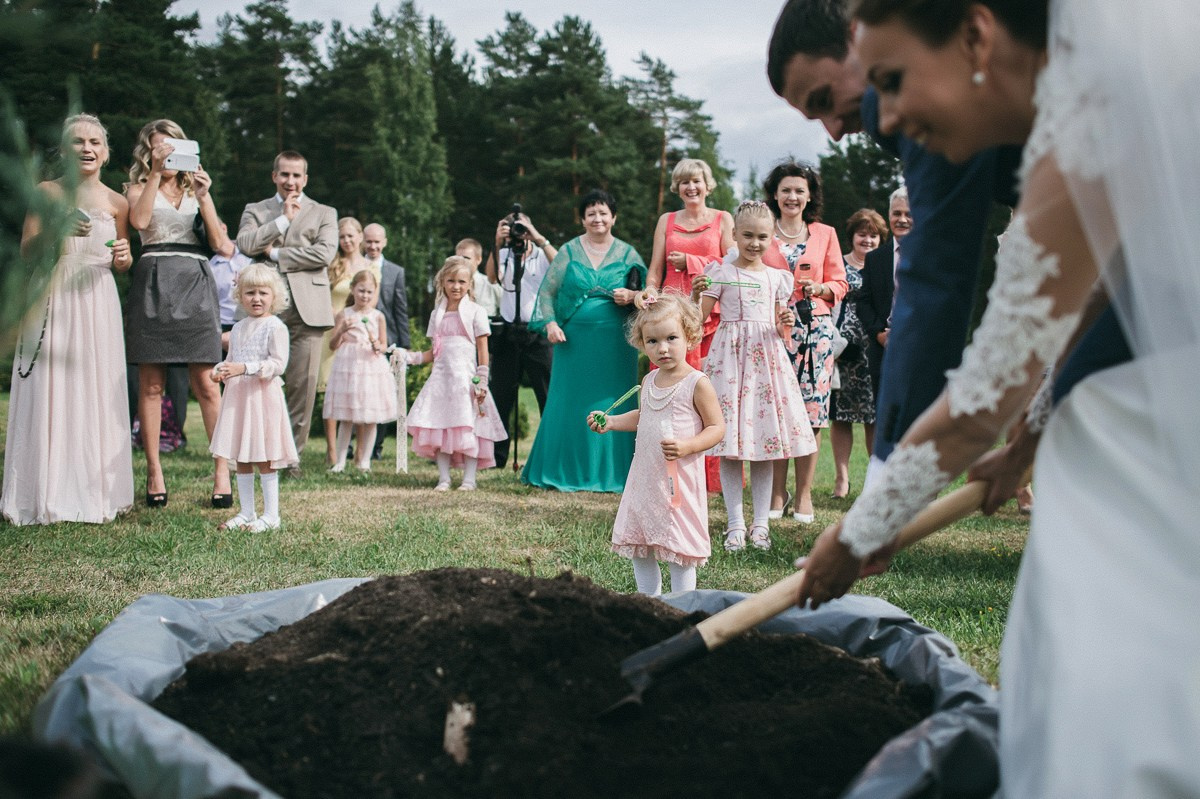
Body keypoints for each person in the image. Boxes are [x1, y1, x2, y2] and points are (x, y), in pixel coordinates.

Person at [798, 0, 1198, 795]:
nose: (890, 114)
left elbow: (985, 390)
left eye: (893, 79)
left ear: (978, 35)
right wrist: (1031, 437)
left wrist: (866, 525)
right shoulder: (1088, 115)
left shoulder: (1095, 114)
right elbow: (1102, 293)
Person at [767, 0, 1023, 483]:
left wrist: (886, 479)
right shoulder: (894, 108)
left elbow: (937, 276)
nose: (836, 133)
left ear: (859, 37)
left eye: (823, 98)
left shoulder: (920, 91)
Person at [1, 113, 135, 525]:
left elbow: (121, 263)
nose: (87, 148)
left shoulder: (118, 202)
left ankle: (95, 494)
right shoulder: (48, 192)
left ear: (106, 152)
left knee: (94, 388)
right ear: (63, 150)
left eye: (95, 141)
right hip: (54, 293)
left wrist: (125, 259)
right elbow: (27, 250)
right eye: (78, 141)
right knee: (51, 387)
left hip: (98, 298)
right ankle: (45, 490)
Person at [124, 118, 234, 508]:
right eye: (160, 148)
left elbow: (222, 245)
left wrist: (205, 197)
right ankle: (154, 469)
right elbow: (138, 222)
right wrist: (156, 173)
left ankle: (221, 470)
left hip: (195, 281)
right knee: (151, 383)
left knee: (206, 381)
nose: (168, 155)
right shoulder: (137, 187)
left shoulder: (197, 191)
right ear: (149, 151)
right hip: (153, 277)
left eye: (174, 148)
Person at [693, 201, 815, 551]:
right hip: (730, 361)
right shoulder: (720, 272)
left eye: (762, 236)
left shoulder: (777, 278)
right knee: (729, 446)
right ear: (734, 235)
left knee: (764, 446)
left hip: (766, 363)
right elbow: (698, 321)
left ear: (772, 237)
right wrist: (697, 293)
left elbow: (780, 324)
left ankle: (760, 524)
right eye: (747, 235)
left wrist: (785, 323)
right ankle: (735, 523)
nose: (754, 243)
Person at [587, 295, 724, 595]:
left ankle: (682, 602)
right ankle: (649, 600)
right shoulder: (649, 380)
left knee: (678, 540)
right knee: (641, 541)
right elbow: (644, 415)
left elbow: (716, 428)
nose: (662, 348)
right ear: (642, 344)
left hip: (678, 480)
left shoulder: (696, 383)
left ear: (689, 337)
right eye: (652, 341)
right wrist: (611, 422)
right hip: (646, 477)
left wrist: (689, 446)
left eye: (671, 338)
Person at [522, 190, 645, 492]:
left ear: (613, 217)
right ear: (582, 218)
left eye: (603, 212)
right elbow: (548, 293)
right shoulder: (569, 250)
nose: (597, 218)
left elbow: (646, 294)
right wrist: (550, 323)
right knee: (566, 400)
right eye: (591, 213)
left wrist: (630, 295)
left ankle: (615, 472)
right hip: (573, 341)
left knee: (614, 399)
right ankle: (561, 469)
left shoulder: (628, 253)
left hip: (617, 342)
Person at [236, 150, 338, 472]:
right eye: (284, 175)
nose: (290, 181)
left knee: (301, 386)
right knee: (261, 381)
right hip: (264, 309)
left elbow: (323, 254)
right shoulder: (257, 209)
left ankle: (289, 459)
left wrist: (277, 254)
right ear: (274, 176)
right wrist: (282, 220)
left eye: (297, 176)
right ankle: (258, 451)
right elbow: (246, 244)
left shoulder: (324, 212)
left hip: (309, 309)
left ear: (305, 179)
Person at [760, 160, 848, 523]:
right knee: (778, 412)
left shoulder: (825, 233)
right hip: (771, 333)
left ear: (809, 195)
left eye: (799, 190)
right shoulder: (763, 231)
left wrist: (822, 288)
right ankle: (776, 493)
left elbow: (841, 283)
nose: (792, 196)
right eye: (786, 190)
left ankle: (804, 494)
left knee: (812, 416)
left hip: (817, 334)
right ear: (775, 195)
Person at [641, 158, 734, 494]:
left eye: (696, 181)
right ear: (676, 188)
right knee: (666, 394)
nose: (691, 188)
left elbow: (732, 266)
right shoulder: (666, 221)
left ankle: (709, 479)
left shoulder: (723, 220)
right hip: (667, 323)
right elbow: (655, 268)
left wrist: (693, 262)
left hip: (705, 318)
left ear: (708, 185)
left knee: (704, 395)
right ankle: (660, 468)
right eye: (684, 182)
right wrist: (649, 291)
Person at [207, 264, 297, 532]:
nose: (256, 298)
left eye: (262, 293)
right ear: (240, 296)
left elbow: (277, 364)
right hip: (239, 399)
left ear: (274, 296)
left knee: (264, 454)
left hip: (262, 398)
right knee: (243, 455)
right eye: (250, 293)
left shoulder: (275, 327)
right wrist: (219, 371)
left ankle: (271, 515)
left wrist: (244, 369)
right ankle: (247, 512)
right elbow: (231, 360)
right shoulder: (237, 329)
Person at [405, 256, 507, 490]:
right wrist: (414, 357)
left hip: (466, 380)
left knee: (469, 427)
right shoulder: (437, 315)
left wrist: (482, 379)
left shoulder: (476, 312)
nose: (456, 286)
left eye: (461, 281)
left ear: (470, 284)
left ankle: (469, 479)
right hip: (441, 381)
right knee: (441, 425)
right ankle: (444, 478)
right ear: (442, 282)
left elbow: (483, 349)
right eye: (451, 281)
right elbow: (435, 351)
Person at [485, 208, 557, 469]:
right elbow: (492, 277)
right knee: (501, 394)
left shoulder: (540, 254)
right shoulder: (503, 253)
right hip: (507, 331)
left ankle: (549, 455)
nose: (518, 233)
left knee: (547, 394)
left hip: (537, 331)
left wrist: (535, 234)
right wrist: (497, 242)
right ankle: (496, 457)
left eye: (521, 227)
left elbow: (561, 265)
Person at [829, 208, 886, 498]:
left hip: (875, 345)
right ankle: (841, 479)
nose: (867, 240)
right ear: (852, 236)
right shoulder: (838, 264)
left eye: (873, 235)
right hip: (843, 347)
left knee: (873, 415)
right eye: (862, 234)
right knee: (840, 415)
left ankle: (873, 482)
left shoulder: (884, 265)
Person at [322, 270, 398, 473]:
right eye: (361, 290)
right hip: (348, 365)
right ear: (353, 289)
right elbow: (332, 345)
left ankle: (365, 461)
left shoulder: (378, 316)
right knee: (346, 416)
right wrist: (341, 330)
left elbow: (383, 345)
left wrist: (377, 345)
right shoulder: (344, 314)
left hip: (370, 368)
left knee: (370, 415)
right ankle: (340, 462)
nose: (365, 295)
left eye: (369, 292)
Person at [318, 217, 372, 464]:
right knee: (332, 390)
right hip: (333, 330)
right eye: (342, 237)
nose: (347, 241)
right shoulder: (333, 265)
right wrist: (330, 313)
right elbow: (322, 294)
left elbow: (373, 301)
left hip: (358, 331)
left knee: (358, 390)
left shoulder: (371, 267)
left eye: (351, 235)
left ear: (360, 236)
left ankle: (360, 453)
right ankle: (332, 452)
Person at [857, 188, 911, 400]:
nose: (902, 219)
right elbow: (863, 302)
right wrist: (879, 333)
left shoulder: (930, 256)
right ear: (889, 215)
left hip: (919, 348)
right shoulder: (875, 258)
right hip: (883, 350)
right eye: (897, 213)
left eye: (909, 214)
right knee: (885, 419)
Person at [363, 222, 410, 461]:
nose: (373, 246)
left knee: (381, 393)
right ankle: (356, 445)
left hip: (387, 340)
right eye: (368, 241)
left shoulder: (395, 271)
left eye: (376, 242)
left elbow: (400, 309)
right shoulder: (354, 267)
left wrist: (405, 344)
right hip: (359, 341)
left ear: (385, 242)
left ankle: (377, 446)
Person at [458, 238, 500, 320]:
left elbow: (508, 309)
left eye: (466, 258)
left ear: (478, 260)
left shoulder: (490, 284)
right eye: (458, 258)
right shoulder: (449, 286)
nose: (461, 262)